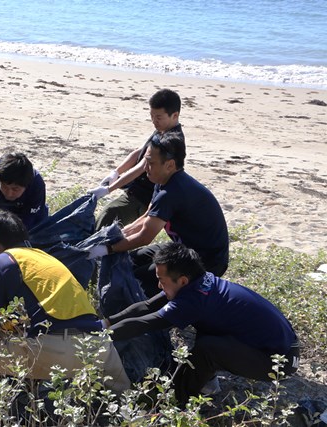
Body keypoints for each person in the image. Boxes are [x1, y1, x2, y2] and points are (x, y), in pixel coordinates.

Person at [0, 210, 130, 426]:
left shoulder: (0, 263)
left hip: (56, 352)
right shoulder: (46, 259)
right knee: (124, 403)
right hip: (99, 349)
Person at [102, 242, 299, 406]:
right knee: (207, 328)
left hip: (279, 361)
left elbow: (144, 323)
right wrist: (104, 323)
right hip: (275, 343)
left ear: (182, 280)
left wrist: (100, 337)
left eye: (161, 280)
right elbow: (146, 306)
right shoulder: (199, 282)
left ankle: (178, 401)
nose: (159, 286)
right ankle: (206, 380)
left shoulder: (194, 300)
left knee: (207, 349)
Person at [88, 130, 229, 298]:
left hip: (206, 261)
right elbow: (147, 217)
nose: (145, 168)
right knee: (129, 262)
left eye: (150, 163)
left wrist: (107, 249)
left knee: (137, 278)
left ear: (169, 165)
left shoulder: (171, 192)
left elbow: (144, 237)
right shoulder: (163, 181)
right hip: (183, 248)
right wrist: (120, 234)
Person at [88, 89, 184, 229]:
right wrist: (115, 172)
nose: (154, 121)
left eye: (158, 117)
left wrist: (109, 189)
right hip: (134, 191)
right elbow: (139, 151)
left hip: (143, 198)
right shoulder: (162, 128)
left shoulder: (172, 140)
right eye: (151, 116)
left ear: (174, 115)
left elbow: (141, 168)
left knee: (109, 214)